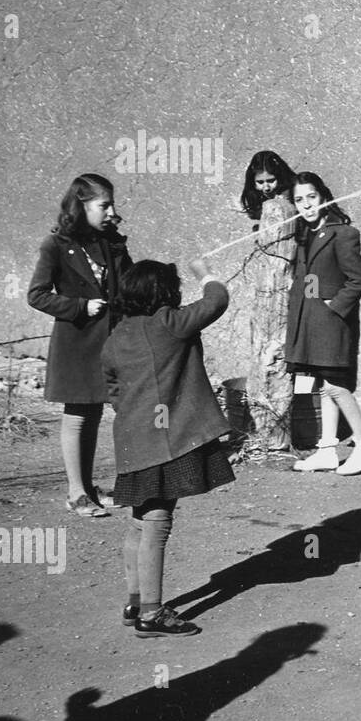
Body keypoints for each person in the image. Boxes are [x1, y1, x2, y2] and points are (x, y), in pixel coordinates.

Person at [102, 259, 234, 637]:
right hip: (166, 443)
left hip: (132, 441)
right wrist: (204, 271)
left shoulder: (116, 338)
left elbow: (112, 390)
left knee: (140, 519)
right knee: (158, 521)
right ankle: (152, 613)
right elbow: (217, 299)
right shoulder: (170, 324)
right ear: (164, 293)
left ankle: (134, 601)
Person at [28, 174, 133, 518]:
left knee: (94, 413)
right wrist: (78, 306)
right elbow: (37, 295)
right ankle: (76, 493)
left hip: (107, 342)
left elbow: (128, 284)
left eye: (111, 205)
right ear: (82, 205)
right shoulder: (55, 245)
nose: (111, 212)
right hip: (75, 345)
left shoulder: (110, 242)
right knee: (77, 416)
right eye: (104, 205)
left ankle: (88, 488)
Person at [285, 173, 361, 476]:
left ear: (323, 196)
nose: (306, 205)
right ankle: (326, 450)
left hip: (333, 323)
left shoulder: (343, 234)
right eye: (299, 200)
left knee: (336, 385)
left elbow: (358, 282)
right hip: (311, 323)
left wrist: (333, 307)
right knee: (324, 386)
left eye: (311, 197)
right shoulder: (305, 235)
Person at [240, 151, 298, 451]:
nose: (265, 186)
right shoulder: (279, 205)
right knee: (272, 354)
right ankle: (275, 433)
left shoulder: (277, 207)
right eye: (259, 181)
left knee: (270, 356)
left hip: (275, 286)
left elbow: (275, 247)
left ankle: (272, 434)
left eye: (270, 180)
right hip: (274, 282)